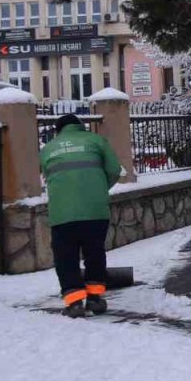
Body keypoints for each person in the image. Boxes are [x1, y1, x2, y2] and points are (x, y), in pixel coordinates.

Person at [40, 114, 122, 318]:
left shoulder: (48, 148)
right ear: (80, 127)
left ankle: (74, 302)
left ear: (57, 130)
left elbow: (46, 175)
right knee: (94, 252)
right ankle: (95, 299)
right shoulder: (96, 141)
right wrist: (100, 188)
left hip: (62, 213)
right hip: (95, 210)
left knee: (65, 257)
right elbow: (114, 170)